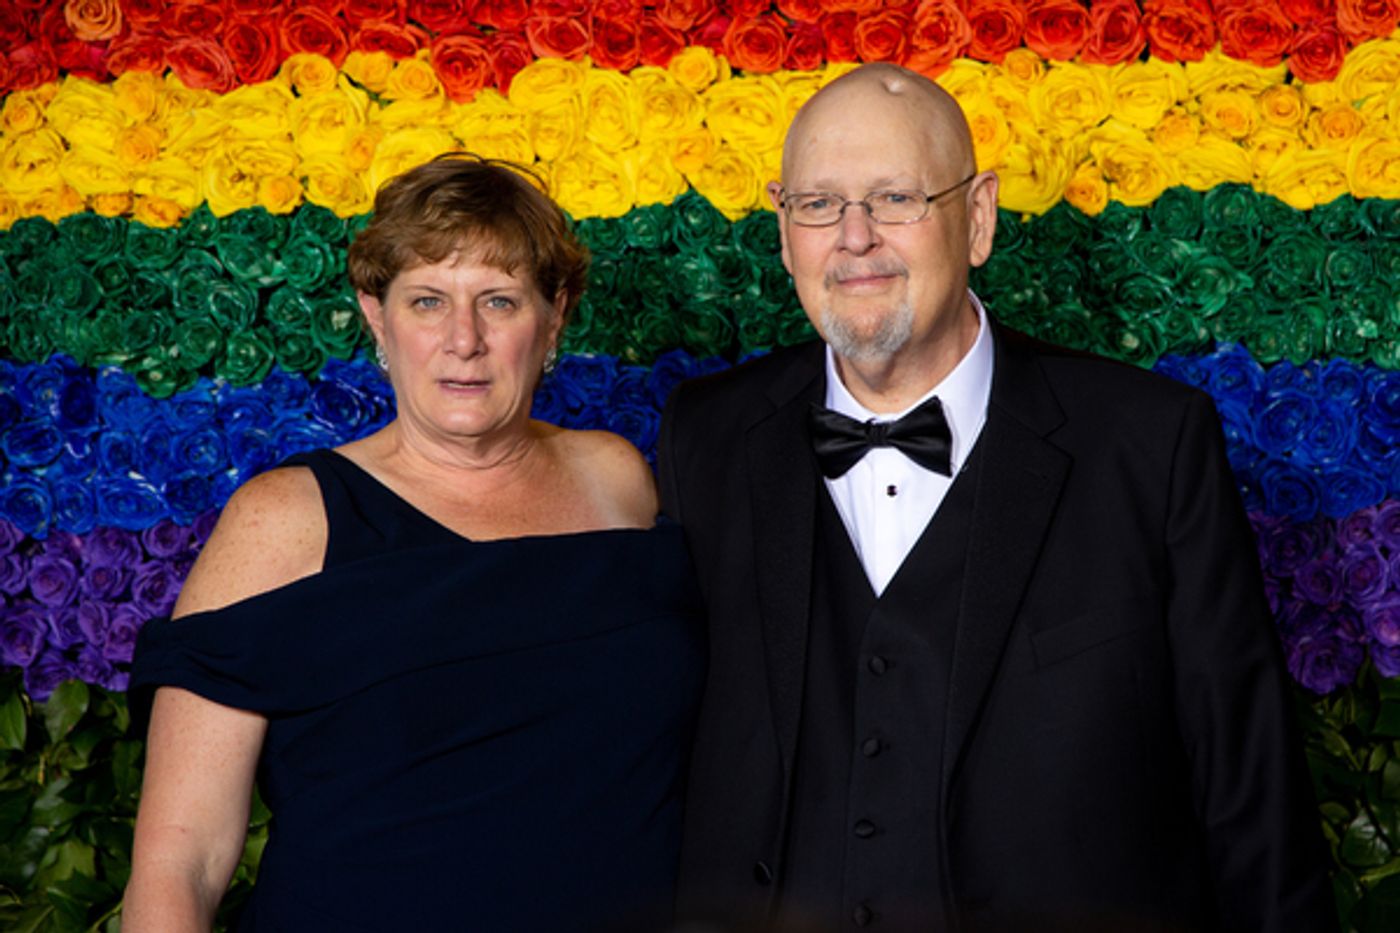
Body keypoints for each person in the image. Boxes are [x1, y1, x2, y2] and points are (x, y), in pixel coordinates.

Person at [659, 64, 1334, 932]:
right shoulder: (705, 438)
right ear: (784, 230)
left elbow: (1251, 790)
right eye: (819, 204)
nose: (854, 238)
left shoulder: (1149, 443)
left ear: (977, 218)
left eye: (897, 198)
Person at [123, 154, 704, 931]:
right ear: (377, 314)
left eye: (498, 301)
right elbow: (179, 864)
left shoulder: (616, 479)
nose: (463, 340)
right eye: (428, 300)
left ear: (555, 312)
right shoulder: (286, 520)